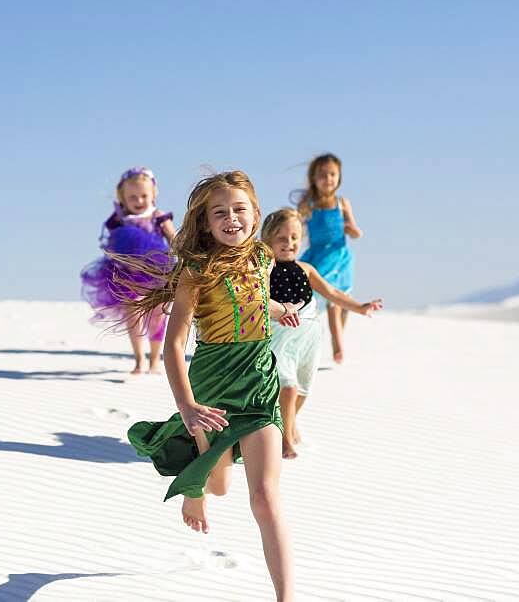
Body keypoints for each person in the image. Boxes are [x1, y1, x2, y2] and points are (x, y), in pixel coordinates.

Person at [125, 171, 300, 601]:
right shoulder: (195, 271)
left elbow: (258, 297)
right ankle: (196, 485)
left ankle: (287, 597)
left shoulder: (262, 256)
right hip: (212, 385)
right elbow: (174, 343)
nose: (231, 218)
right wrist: (186, 405)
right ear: (205, 223)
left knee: (263, 497)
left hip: (259, 383)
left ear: (256, 214)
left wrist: (279, 311)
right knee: (219, 484)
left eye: (240, 209)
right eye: (219, 212)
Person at [261, 207, 383, 459]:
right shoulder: (265, 270)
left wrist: (360, 307)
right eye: (282, 238)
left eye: (294, 237)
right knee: (289, 387)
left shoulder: (306, 269)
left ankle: (289, 424)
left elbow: (333, 293)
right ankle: (284, 440)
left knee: (303, 388)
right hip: (279, 338)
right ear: (268, 240)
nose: (289, 243)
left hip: (308, 340)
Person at [79, 167, 176, 374]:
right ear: (122, 196)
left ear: (153, 195)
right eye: (133, 196)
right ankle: (139, 360)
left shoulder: (158, 217)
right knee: (133, 315)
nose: (139, 201)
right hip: (126, 275)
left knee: (158, 315)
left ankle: (155, 360)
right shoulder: (118, 219)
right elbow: (110, 243)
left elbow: (175, 239)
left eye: (144, 196)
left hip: (156, 274)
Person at [296, 153, 363, 363]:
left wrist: (352, 229)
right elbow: (297, 228)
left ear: (339, 177)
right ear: (314, 178)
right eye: (323, 175)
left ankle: (338, 336)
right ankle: (336, 343)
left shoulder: (342, 203)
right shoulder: (308, 203)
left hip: (341, 257)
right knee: (330, 299)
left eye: (333, 174)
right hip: (319, 257)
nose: (328, 179)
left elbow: (356, 232)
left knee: (343, 300)